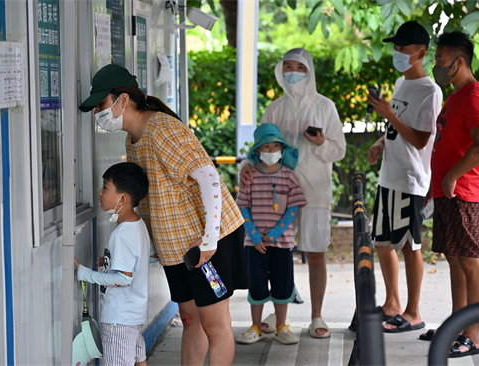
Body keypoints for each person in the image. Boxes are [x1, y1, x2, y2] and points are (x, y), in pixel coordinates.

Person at [79, 64, 249, 366]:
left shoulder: (162, 129)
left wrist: (209, 240)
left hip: (207, 241)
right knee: (189, 320)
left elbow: (209, 177)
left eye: (101, 104)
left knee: (215, 325)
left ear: (123, 100)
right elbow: (147, 197)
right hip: (177, 248)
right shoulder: (132, 140)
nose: (98, 114)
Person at [240, 48, 346, 338]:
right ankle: (279, 313)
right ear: (280, 70)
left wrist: (322, 142)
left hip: (314, 192)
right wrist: (248, 165)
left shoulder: (325, 107)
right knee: (276, 253)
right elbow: (260, 145)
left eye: (300, 67)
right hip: (274, 196)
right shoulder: (274, 109)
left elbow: (339, 150)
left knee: (315, 253)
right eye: (288, 66)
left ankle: (316, 315)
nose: (293, 72)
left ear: (309, 71)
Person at [366, 21, 443, 333]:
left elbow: (423, 139)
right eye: (395, 47)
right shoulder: (400, 84)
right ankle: (392, 303)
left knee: (411, 246)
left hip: (411, 181)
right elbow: (397, 131)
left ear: (421, 53)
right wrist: (379, 143)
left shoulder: (430, 91)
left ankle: (413, 312)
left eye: (403, 49)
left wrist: (389, 114)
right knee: (382, 243)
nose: (397, 53)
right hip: (389, 177)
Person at [424, 30, 479, 358]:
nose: (437, 67)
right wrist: (434, 184)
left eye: (441, 62)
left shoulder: (475, 95)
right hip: (446, 192)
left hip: (463, 192)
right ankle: (456, 325)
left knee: (470, 261)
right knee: (455, 259)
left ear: (459, 62)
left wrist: (453, 175)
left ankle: (473, 335)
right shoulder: (455, 95)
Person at [235, 123, 307, 345]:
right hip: (254, 245)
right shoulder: (250, 177)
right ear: (257, 151)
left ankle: (282, 326)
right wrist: (255, 236)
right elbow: (242, 207)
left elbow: (293, 208)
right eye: (266, 146)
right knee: (256, 286)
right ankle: (255, 327)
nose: (271, 150)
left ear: (282, 149)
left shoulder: (289, 176)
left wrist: (275, 233)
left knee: (282, 285)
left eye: (276, 145)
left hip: (282, 244)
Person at [74, 162, 151, 366]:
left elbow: (123, 278)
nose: (100, 192)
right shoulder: (137, 224)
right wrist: (110, 262)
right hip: (132, 314)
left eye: (106, 187)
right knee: (138, 358)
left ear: (122, 199)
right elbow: (139, 260)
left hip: (118, 319)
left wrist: (84, 273)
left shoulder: (122, 235)